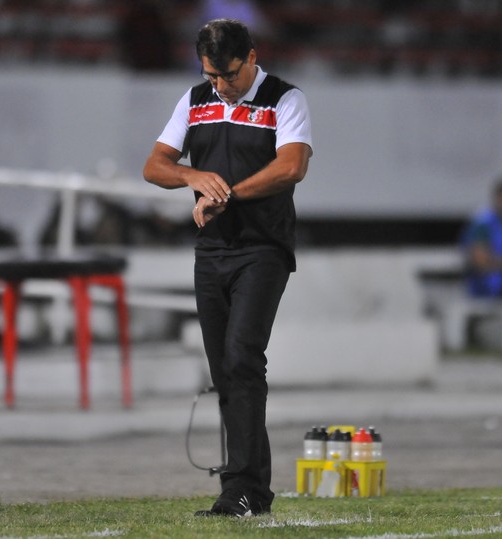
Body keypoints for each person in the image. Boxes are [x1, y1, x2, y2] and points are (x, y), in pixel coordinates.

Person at [143, 19, 312, 517]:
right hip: (211, 251)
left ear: (253, 58)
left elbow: (292, 166)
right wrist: (191, 175)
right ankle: (251, 488)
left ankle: (239, 484)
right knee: (225, 370)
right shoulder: (196, 99)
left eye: (229, 75)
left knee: (242, 357)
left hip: (263, 248)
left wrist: (227, 195)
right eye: (212, 75)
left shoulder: (285, 100)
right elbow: (154, 165)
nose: (221, 85)